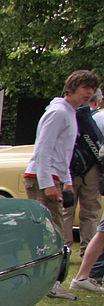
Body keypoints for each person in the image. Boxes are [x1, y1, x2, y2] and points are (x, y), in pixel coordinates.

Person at [24, 70, 101, 299]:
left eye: (92, 88)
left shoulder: (70, 113)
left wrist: (67, 183)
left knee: (53, 231)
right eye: (84, 87)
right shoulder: (58, 112)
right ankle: (48, 284)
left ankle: (49, 282)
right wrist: (48, 183)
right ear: (72, 87)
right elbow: (43, 150)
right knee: (50, 232)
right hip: (41, 178)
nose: (89, 93)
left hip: (53, 178)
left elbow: (63, 154)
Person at [62, 96, 104, 256]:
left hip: (69, 169)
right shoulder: (100, 118)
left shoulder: (68, 115)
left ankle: (64, 248)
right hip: (92, 171)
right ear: (98, 101)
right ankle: (88, 250)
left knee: (66, 211)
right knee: (90, 212)